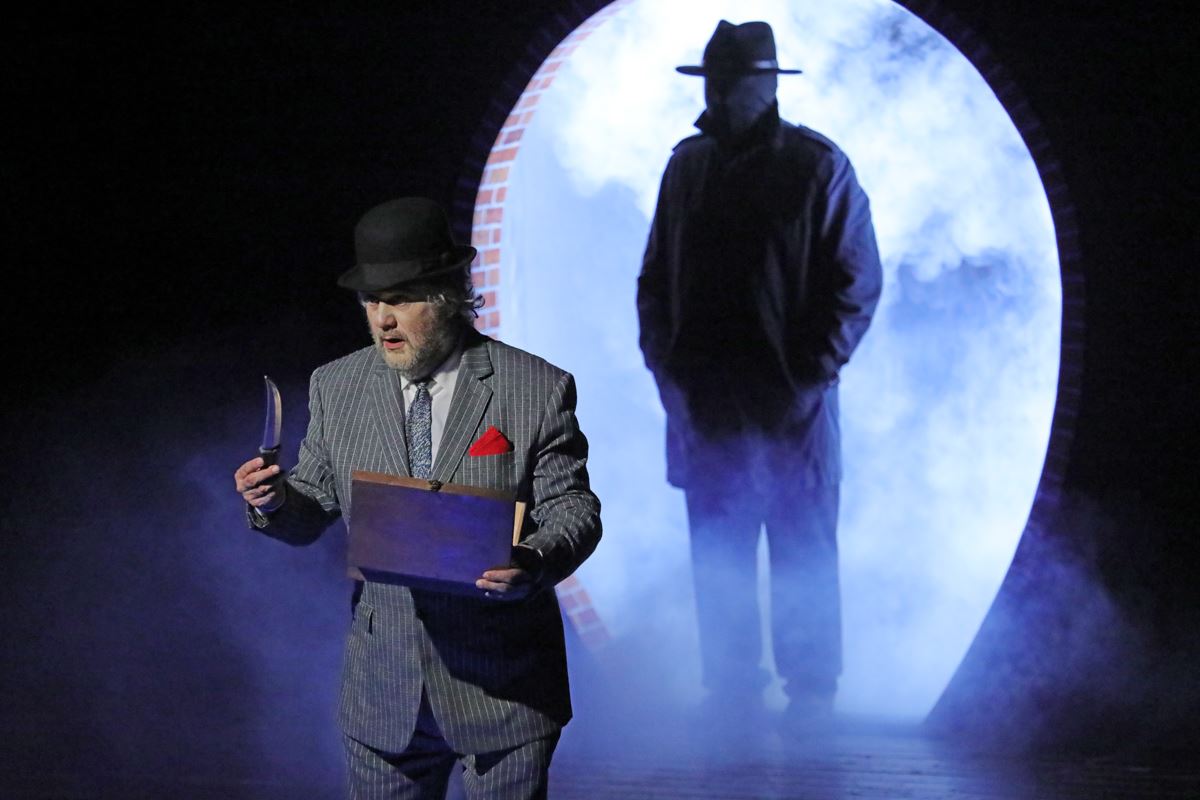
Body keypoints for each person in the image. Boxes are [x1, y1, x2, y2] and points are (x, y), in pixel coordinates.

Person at [234, 197, 602, 798]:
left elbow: (573, 508)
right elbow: (310, 509)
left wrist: (534, 561)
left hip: (502, 683)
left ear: (449, 295)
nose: (382, 319)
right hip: (385, 691)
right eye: (371, 300)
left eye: (401, 299)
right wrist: (274, 502)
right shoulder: (337, 385)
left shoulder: (535, 387)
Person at [637, 21, 882, 733]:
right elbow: (653, 283)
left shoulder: (817, 167)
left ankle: (812, 695)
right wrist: (670, 375)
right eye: (713, 80)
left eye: (732, 80)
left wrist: (807, 379)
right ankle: (733, 691)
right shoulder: (687, 168)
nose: (718, 93)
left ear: (768, 85)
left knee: (803, 552)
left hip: (791, 414)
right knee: (719, 555)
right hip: (708, 409)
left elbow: (857, 284)